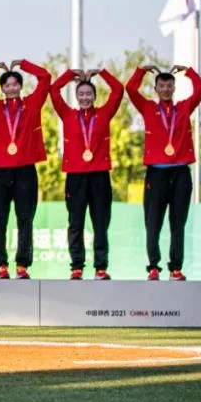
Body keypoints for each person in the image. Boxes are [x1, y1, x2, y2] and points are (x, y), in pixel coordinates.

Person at [125, 65, 201, 281]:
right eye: (162, 86)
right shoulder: (148, 107)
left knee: (178, 223)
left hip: (181, 173)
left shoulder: (184, 108)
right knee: (153, 222)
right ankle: (153, 266)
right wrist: (141, 70)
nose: (166, 89)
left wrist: (188, 71)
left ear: (174, 88)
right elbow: (130, 89)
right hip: (156, 174)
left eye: (169, 86)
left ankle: (175, 268)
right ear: (156, 89)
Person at [0, 59, 50, 279]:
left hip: (26, 170)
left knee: (25, 219)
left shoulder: (32, 103)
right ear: (2, 88)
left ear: (20, 86)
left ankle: (22, 265)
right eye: (7, 85)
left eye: (15, 84)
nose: (11, 88)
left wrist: (23, 65)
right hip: (0, 171)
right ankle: (1, 265)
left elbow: (45, 78)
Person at [49, 68, 123, 280]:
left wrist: (102, 73)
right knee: (76, 224)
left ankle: (101, 267)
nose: (85, 98)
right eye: (81, 94)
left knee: (101, 223)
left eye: (89, 94)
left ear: (95, 96)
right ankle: (77, 267)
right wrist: (70, 74)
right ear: (76, 96)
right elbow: (54, 90)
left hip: (100, 176)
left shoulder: (104, 114)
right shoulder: (67, 114)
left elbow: (118, 90)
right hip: (75, 177)